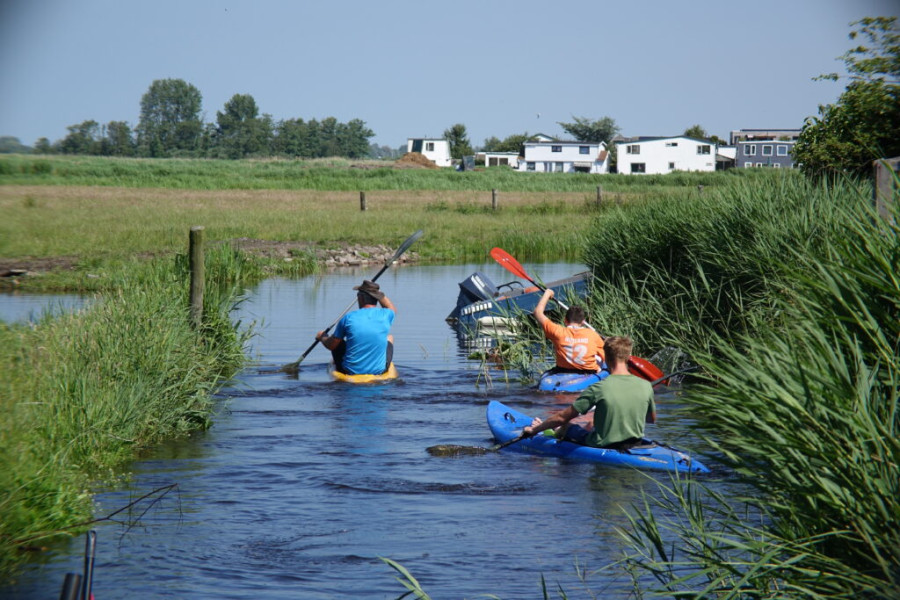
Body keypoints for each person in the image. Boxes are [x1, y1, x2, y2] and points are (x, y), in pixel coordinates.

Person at [523, 336, 656, 450]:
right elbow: (650, 419)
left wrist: (534, 430)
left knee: (567, 425)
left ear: (606, 359)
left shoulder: (598, 388)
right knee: (591, 424)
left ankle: (554, 432)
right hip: (635, 444)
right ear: (628, 358)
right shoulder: (646, 386)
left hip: (602, 445)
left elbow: (562, 417)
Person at [316, 279, 395, 375]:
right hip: (379, 371)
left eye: (358, 295)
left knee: (338, 342)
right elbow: (390, 307)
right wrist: (377, 293)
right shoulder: (386, 315)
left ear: (360, 298)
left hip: (350, 371)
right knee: (389, 338)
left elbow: (331, 345)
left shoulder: (348, 318)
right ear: (377, 298)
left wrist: (322, 337)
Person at [534, 288, 605, 374]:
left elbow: (538, 312)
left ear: (565, 321)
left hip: (563, 370)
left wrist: (547, 293)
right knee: (600, 357)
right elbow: (605, 357)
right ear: (583, 321)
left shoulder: (557, 331)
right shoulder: (593, 335)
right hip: (589, 371)